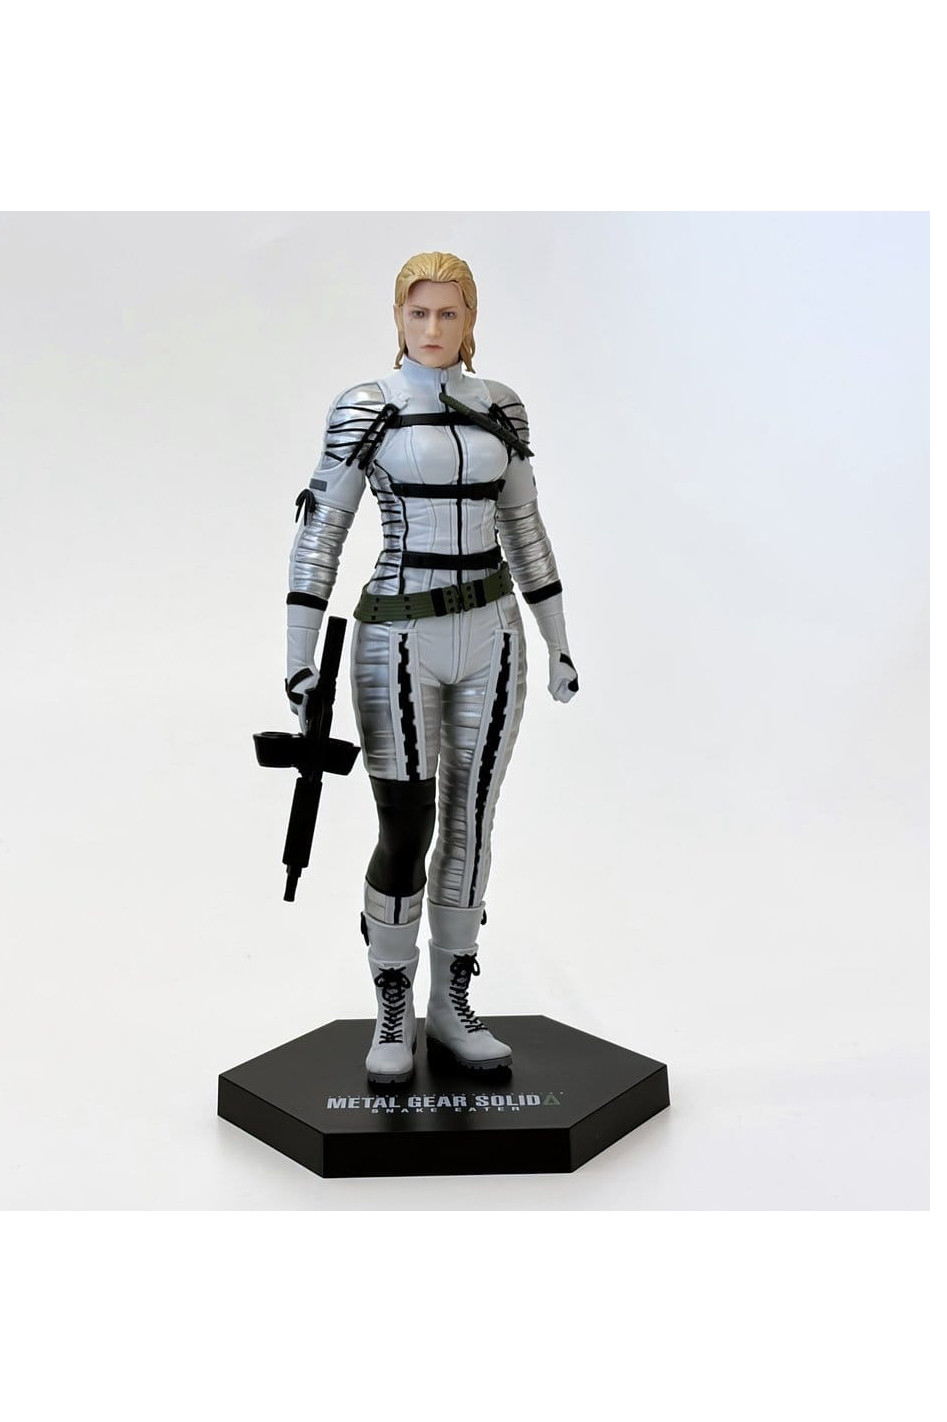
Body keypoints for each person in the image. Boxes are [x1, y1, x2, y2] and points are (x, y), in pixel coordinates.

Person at [285, 251, 578, 1085]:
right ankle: (392, 1000)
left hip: (493, 631)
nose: (433, 328)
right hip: (396, 636)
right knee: (406, 828)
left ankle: (450, 1003)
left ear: (470, 318)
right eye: (419, 313)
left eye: (449, 313)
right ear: (398, 317)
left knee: (473, 821)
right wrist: (297, 660)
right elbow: (322, 530)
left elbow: (525, 526)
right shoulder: (366, 406)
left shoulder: (501, 406)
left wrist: (557, 639)